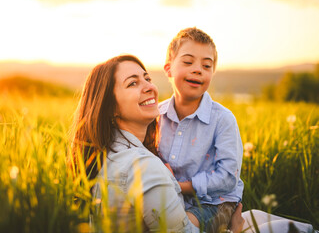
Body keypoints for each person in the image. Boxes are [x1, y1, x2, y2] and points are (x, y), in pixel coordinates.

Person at [71, 54, 244, 233]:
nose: (149, 87)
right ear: (111, 107)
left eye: (147, 78)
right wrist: (235, 230)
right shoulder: (144, 166)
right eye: (132, 83)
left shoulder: (107, 154)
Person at [158, 27, 244, 233]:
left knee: (179, 228)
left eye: (207, 65)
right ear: (169, 69)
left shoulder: (222, 119)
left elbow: (228, 176)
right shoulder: (156, 116)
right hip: (171, 197)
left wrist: (180, 186)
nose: (198, 69)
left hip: (216, 201)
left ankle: (235, 225)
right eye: (188, 62)